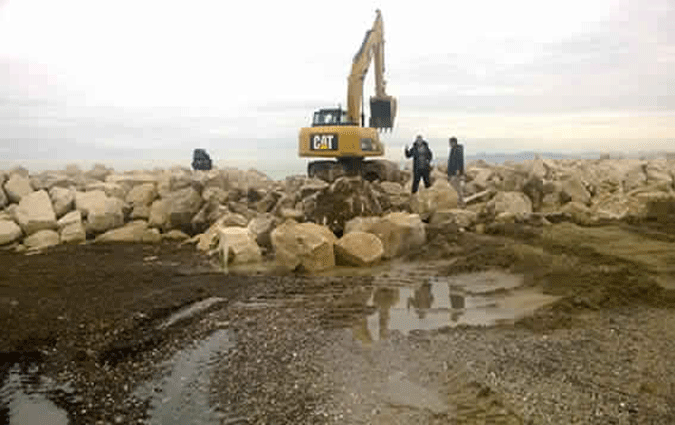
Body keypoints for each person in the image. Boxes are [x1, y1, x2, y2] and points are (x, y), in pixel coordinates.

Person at [447, 136, 465, 207]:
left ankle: (461, 203)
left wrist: (458, 170)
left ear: (453, 142)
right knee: (455, 188)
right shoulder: (453, 149)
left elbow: (459, 160)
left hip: (455, 172)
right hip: (452, 172)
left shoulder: (457, 150)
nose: (449, 144)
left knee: (457, 188)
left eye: (450, 142)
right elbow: (451, 161)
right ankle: (459, 202)